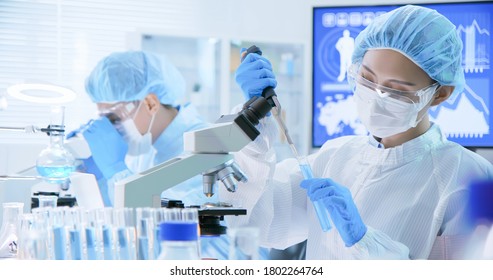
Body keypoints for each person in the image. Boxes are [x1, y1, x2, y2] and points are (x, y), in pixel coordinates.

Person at [220, 5, 493, 259]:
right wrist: (253, 120)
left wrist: (364, 240)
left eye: (396, 89)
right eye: (367, 79)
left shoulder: (468, 179)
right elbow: (257, 222)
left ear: (440, 94)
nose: (376, 97)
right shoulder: (334, 156)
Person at [68, 50, 231, 259]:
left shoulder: (204, 145)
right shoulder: (148, 147)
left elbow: (161, 229)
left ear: (151, 103)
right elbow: (124, 227)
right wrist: (95, 178)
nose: (113, 130)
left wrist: (116, 171)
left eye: (113, 118)